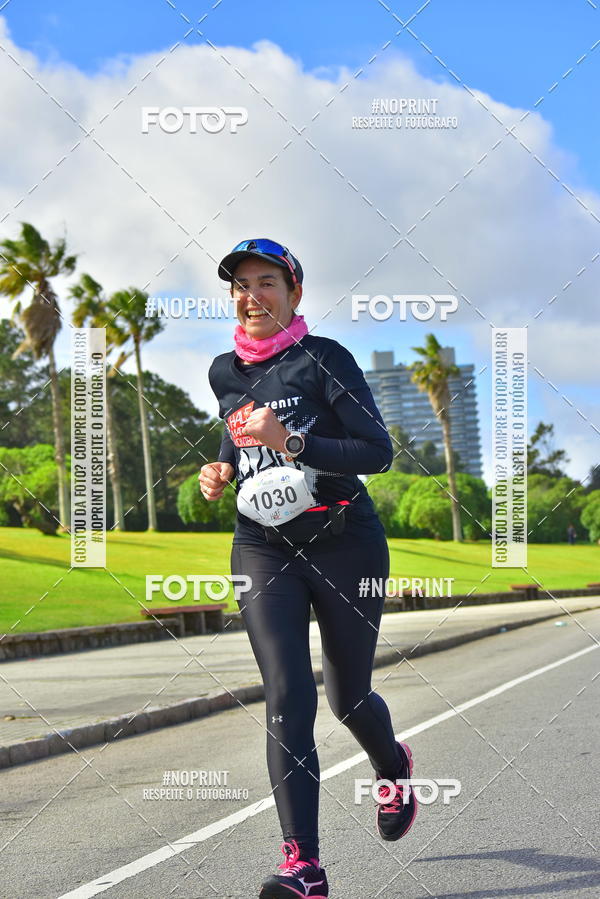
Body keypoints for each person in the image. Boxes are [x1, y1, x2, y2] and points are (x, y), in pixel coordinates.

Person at [199, 238, 417, 899]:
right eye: (240, 284)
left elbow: (377, 450)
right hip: (262, 548)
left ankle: (392, 762)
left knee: (347, 697)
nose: (251, 294)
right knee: (287, 696)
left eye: (267, 281)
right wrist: (224, 469)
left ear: (293, 293)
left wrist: (291, 440)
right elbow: (235, 437)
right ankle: (304, 864)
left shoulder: (326, 359)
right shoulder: (223, 371)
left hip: (345, 542)